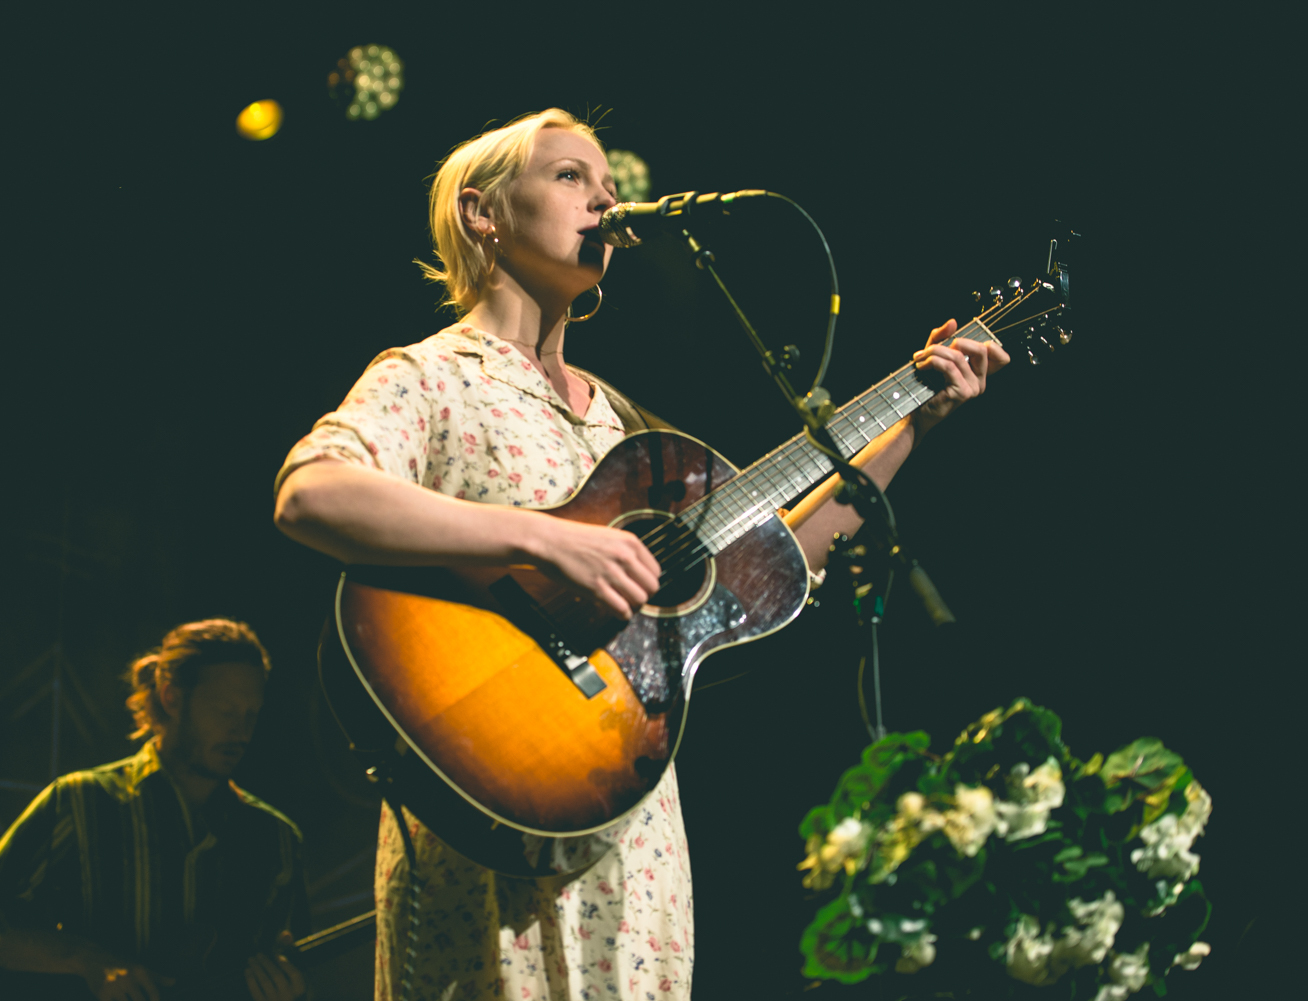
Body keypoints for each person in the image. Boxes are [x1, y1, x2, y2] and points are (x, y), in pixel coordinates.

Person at [271, 109, 1009, 1001]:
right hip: (484, 801)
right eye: (571, 177)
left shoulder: (622, 426)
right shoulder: (432, 374)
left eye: (609, 185)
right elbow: (312, 492)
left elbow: (778, 566)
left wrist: (910, 427)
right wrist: (544, 536)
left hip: (630, 818)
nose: (606, 200)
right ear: (482, 212)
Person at [0, 619, 311, 1001]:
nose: (242, 730)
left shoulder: (278, 839)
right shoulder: (80, 801)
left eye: (252, 713)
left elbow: (300, 968)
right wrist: (87, 960)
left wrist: (294, 992)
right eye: (225, 710)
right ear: (171, 696)